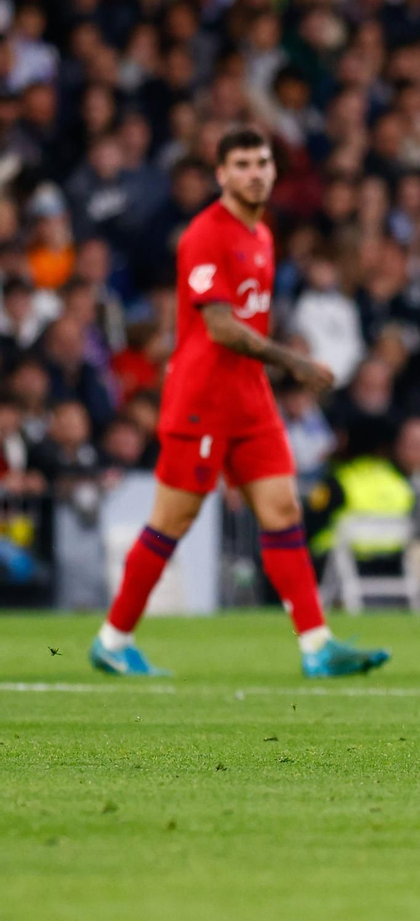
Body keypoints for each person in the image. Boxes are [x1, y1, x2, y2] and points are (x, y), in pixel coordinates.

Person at [90, 128, 389, 678]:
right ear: (221, 174)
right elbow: (221, 327)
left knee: (283, 511)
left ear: (274, 171)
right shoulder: (205, 234)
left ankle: (317, 645)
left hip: (250, 399)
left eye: (263, 162)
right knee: (172, 520)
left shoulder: (263, 234)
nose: (255, 172)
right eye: (242, 164)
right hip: (202, 399)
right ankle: (113, 638)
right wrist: (293, 362)